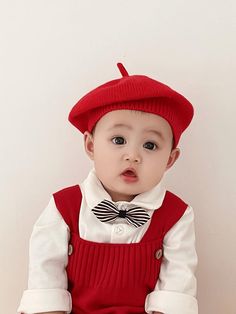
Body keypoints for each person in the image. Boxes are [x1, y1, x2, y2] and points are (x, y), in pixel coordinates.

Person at [17, 62, 198, 314]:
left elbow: (176, 284)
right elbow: (45, 272)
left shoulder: (176, 215)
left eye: (150, 145)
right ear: (91, 145)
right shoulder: (64, 207)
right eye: (118, 140)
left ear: (170, 159)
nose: (133, 155)